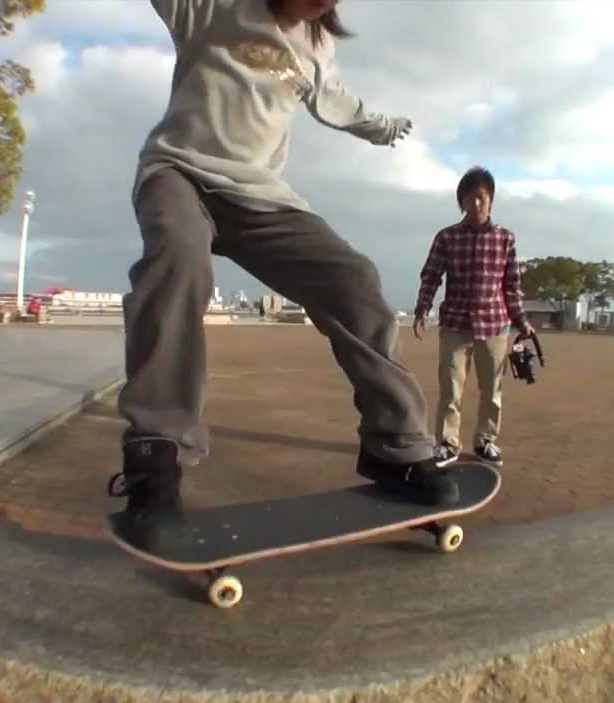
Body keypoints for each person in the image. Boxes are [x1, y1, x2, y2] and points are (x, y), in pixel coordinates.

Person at [107, 0, 462, 549]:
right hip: (178, 173)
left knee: (354, 283)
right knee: (178, 261)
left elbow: (339, 102)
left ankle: (393, 446)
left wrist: (383, 126)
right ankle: (156, 453)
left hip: (257, 198)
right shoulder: (211, 8)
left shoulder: (318, 46)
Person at [412, 166, 535, 468]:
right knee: (450, 390)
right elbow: (431, 275)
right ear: (461, 202)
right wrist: (422, 309)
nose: (476, 204)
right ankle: (447, 443)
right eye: (469, 198)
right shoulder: (447, 237)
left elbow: (512, 286)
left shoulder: (506, 239)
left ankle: (485, 441)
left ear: (491, 200)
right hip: (455, 324)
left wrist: (522, 322)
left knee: (492, 391)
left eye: (481, 197)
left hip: (495, 327)